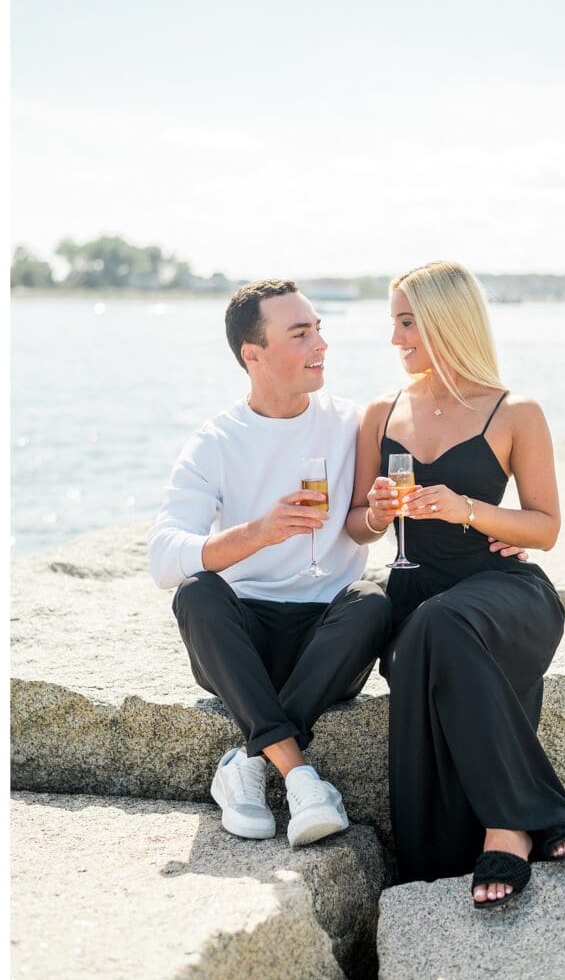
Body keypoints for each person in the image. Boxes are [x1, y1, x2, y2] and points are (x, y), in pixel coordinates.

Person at [346, 260, 565, 908]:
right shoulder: (381, 411)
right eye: (394, 323)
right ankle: (542, 814)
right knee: (433, 625)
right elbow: (357, 526)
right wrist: (376, 510)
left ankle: (511, 827)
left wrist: (467, 509)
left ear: (445, 323)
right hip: (416, 603)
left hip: (504, 595)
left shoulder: (516, 412)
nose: (396, 338)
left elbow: (544, 527)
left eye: (407, 323)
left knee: (448, 622)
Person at [148, 279, 393, 847]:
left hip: (325, 639)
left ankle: (248, 764)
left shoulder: (353, 423)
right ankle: (300, 776)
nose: (321, 344)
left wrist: (388, 517)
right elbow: (163, 557)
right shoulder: (216, 441)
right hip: (241, 642)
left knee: (374, 599)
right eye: (301, 333)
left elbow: (409, 483)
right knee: (196, 593)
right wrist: (258, 533)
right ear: (252, 355)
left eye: (319, 329)